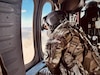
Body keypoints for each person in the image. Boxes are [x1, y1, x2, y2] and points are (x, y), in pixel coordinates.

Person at [41, 0, 100, 75]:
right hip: (94, 68)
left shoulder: (57, 36)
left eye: (47, 27)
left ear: (52, 24)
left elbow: (51, 64)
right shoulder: (73, 29)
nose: (47, 29)